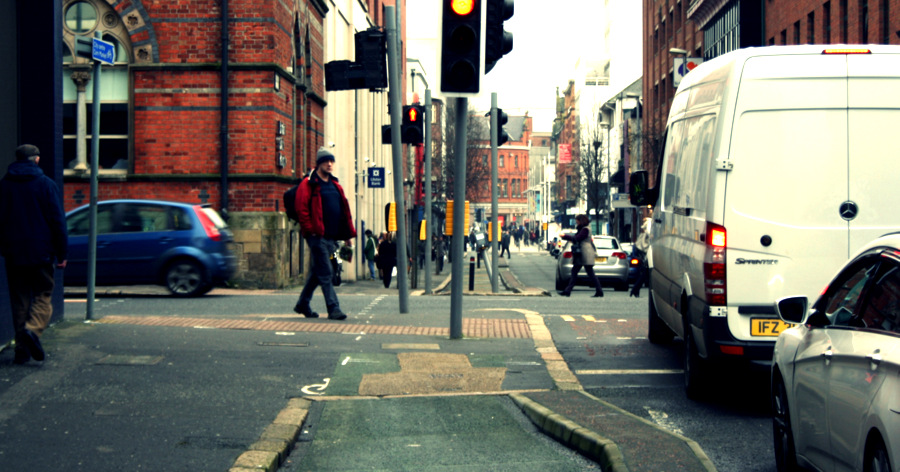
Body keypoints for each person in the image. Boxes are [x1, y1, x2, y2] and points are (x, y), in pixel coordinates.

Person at [0, 144, 68, 364]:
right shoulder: (46, 185)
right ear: (36, 159)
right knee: (43, 294)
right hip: (41, 252)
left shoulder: (4, 185)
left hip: (14, 253)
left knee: (19, 301)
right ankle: (33, 329)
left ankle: (22, 351)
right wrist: (62, 252)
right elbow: (57, 221)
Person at [293, 148, 356, 321]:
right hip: (317, 236)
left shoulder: (336, 185)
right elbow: (301, 208)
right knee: (326, 272)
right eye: (325, 161)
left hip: (331, 237)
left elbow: (344, 213)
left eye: (331, 161)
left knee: (317, 272)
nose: (329, 164)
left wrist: (347, 236)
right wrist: (310, 231)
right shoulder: (308, 183)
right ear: (319, 163)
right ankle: (333, 308)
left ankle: (302, 304)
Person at [558, 214, 603, 298]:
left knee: (589, 273)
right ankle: (568, 290)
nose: (576, 222)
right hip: (581, 253)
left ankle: (599, 291)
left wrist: (565, 236)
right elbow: (576, 237)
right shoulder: (582, 229)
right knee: (575, 271)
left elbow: (577, 238)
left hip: (585, 252)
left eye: (577, 221)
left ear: (581, 221)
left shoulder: (585, 229)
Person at [630, 218, 651, 298]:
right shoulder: (646, 236)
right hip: (647, 257)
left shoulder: (643, 236)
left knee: (644, 275)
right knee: (644, 275)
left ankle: (635, 290)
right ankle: (635, 290)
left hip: (644, 257)